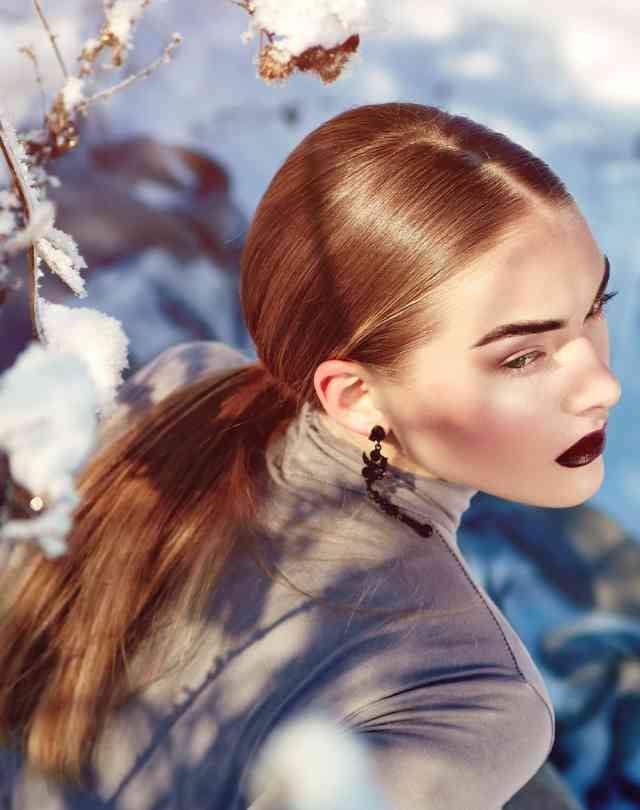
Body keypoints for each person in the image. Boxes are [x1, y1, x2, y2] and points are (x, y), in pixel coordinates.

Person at [0, 102, 621, 809]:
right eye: (523, 357)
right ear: (353, 395)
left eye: (597, 307)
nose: (604, 383)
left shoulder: (188, 385)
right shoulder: (481, 694)